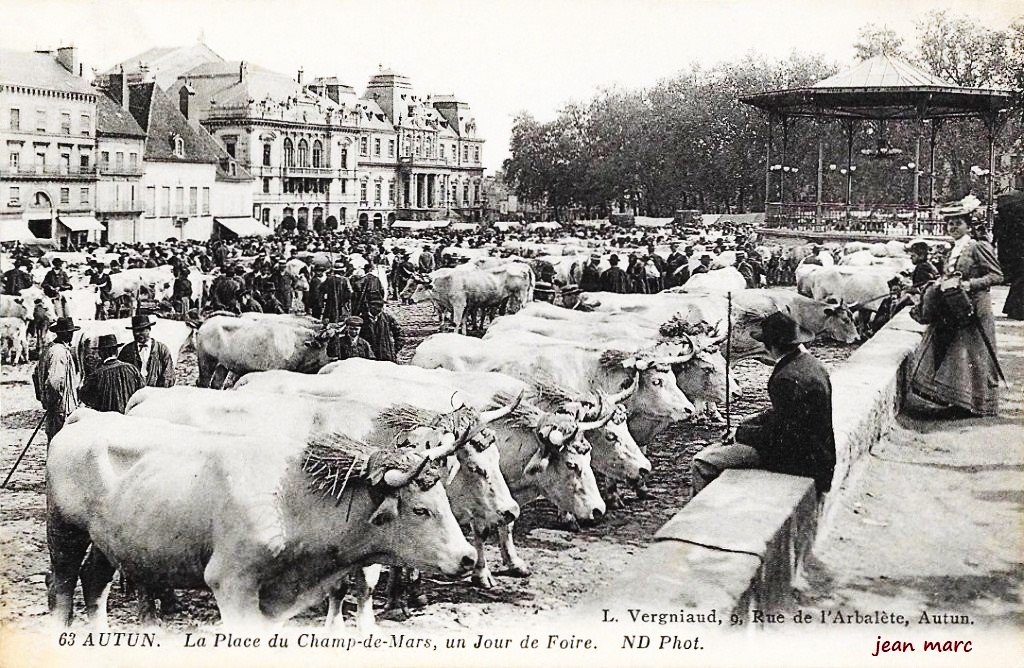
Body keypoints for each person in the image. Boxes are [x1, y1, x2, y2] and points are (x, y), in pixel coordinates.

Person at [691, 311, 836, 497]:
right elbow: (786, 413)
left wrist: (741, 434)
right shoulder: (812, 364)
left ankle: (709, 515)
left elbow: (781, 435)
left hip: (798, 460)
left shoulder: (786, 378)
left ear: (772, 346)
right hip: (819, 455)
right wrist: (748, 421)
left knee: (703, 462)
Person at [909, 212, 1003, 416]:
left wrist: (971, 284)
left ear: (968, 227)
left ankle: (978, 405)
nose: (952, 227)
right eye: (950, 224)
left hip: (976, 306)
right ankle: (959, 402)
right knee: (957, 353)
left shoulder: (977, 247)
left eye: (957, 224)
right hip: (957, 306)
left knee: (976, 353)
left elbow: (997, 275)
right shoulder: (953, 250)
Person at [32, 317, 82, 443]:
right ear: (61, 334)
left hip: (57, 408)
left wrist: (43, 397)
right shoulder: (59, 352)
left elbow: (35, 375)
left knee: (55, 444)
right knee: (62, 445)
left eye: (71, 332)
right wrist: (53, 403)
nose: (70, 335)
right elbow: (54, 382)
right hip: (62, 409)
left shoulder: (49, 349)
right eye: (68, 332)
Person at [80, 335, 144, 413]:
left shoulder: (97, 375)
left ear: (102, 353)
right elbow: (142, 392)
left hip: (108, 421)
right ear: (116, 351)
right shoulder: (132, 369)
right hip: (129, 418)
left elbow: (85, 397)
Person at [118, 314, 175, 388]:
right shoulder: (127, 350)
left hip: (155, 393)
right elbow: (120, 374)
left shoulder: (162, 349)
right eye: (135, 331)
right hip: (134, 394)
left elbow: (169, 374)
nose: (137, 334)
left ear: (149, 329)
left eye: (141, 330)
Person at [360, 298, 402, 362]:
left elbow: (399, 333)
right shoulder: (362, 320)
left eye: (380, 306)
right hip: (368, 356)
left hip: (385, 355)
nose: (378, 309)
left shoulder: (387, 318)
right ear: (369, 306)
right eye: (375, 306)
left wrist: (394, 349)